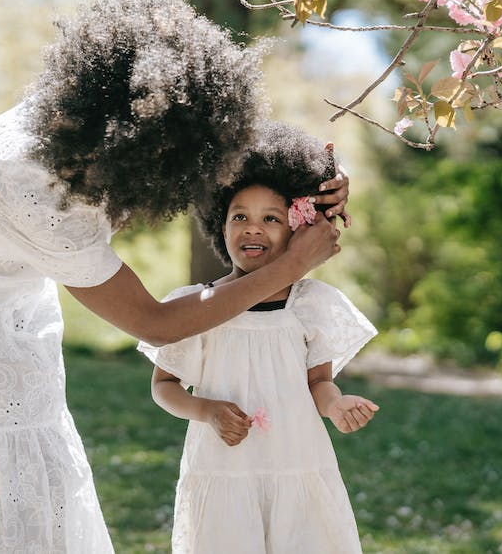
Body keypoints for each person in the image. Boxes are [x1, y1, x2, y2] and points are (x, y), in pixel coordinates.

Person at [0, 0, 351, 553]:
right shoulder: (39, 185)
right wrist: (291, 265)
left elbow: (231, 157)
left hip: (8, 272)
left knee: (42, 443)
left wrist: (318, 185)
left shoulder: (99, 123)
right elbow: (156, 323)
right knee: (4, 459)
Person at [138, 122, 379, 554]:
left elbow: (318, 383)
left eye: (271, 218)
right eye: (239, 217)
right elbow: (164, 386)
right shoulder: (197, 306)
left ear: (297, 230)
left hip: (297, 463)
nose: (253, 228)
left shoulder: (310, 305)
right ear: (219, 225)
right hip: (222, 468)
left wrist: (336, 404)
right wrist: (206, 410)